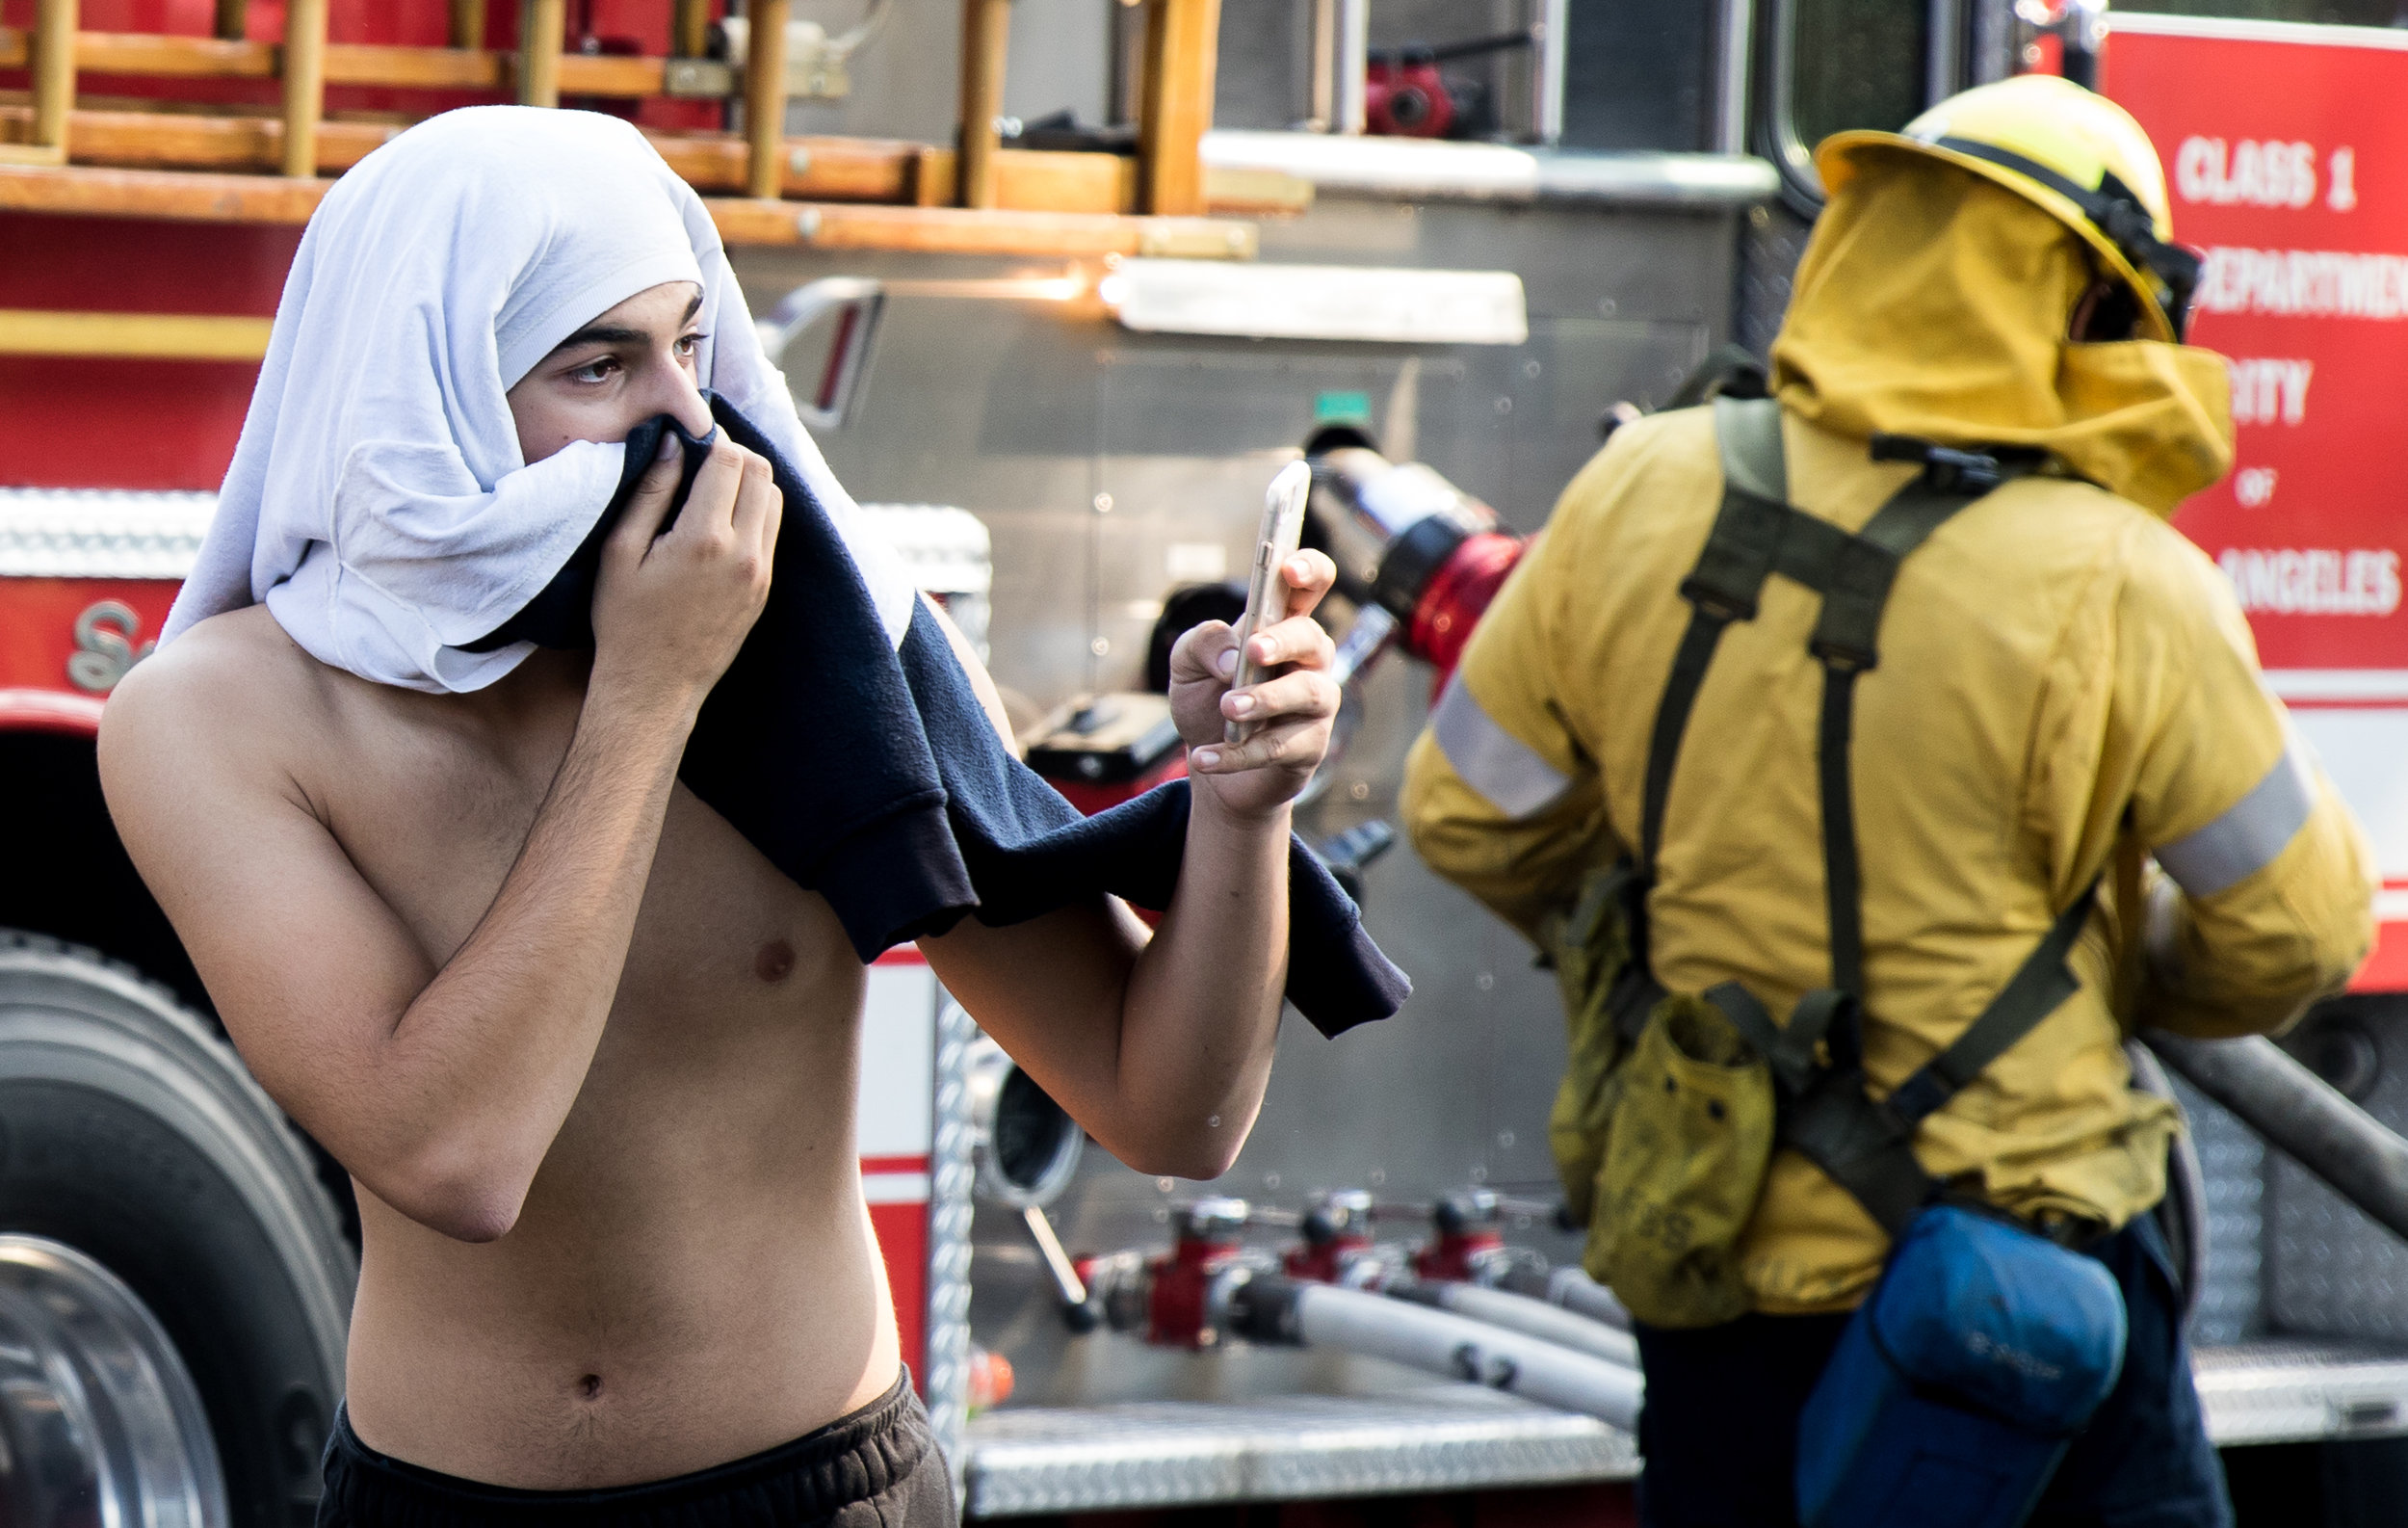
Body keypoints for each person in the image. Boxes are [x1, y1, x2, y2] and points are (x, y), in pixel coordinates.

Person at [98, 107, 1361, 1526]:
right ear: (428, 389)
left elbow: (1168, 1107)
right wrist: (647, 693)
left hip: (817, 1491)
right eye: (598, 364)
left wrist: (1240, 814)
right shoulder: (219, 715)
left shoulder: (825, 641)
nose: (685, 424)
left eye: (692, 346)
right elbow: (457, 1153)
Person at [1400, 75, 2376, 1527]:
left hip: (1712, 1254)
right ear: (2096, 306)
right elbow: (2298, 933)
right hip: (2023, 1288)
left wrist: (1664, 915)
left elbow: (1468, 813)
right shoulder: (2122, 576)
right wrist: (2126, 970)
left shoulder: (1644, 488)